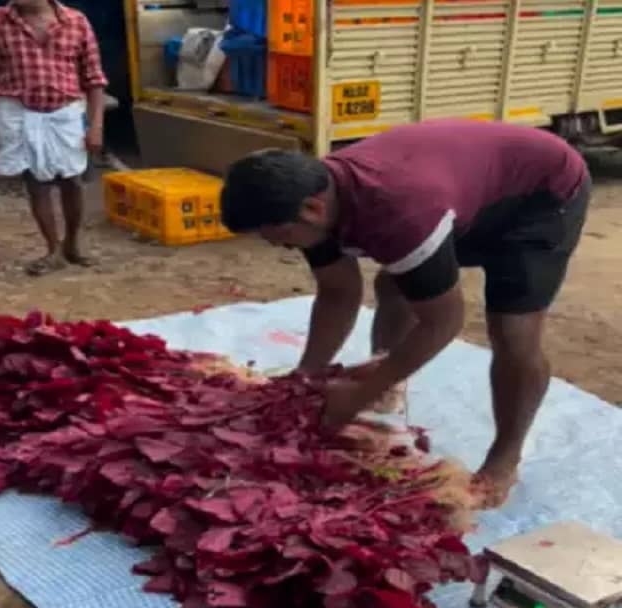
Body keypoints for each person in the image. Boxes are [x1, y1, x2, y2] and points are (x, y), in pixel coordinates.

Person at [219, 120, 590, 508]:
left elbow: (444, 321)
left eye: (279, 237)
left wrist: (360, 392)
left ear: (312, 209)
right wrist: (305, 377)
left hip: (539, 194)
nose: (277, 246)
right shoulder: (309, 201)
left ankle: (505, 458)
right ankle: (387, 377)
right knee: (395, 282)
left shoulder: (398, 212)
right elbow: (337, 292)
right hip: (466, 186)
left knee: (513, 331)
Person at [0, 0, 108, 276]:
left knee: (72, 181)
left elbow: (94, 80)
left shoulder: (76, 21)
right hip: (17, 110)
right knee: (36, 183)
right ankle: (52, 249)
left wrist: (96, 126)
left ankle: (72, 245)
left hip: (66, 112)